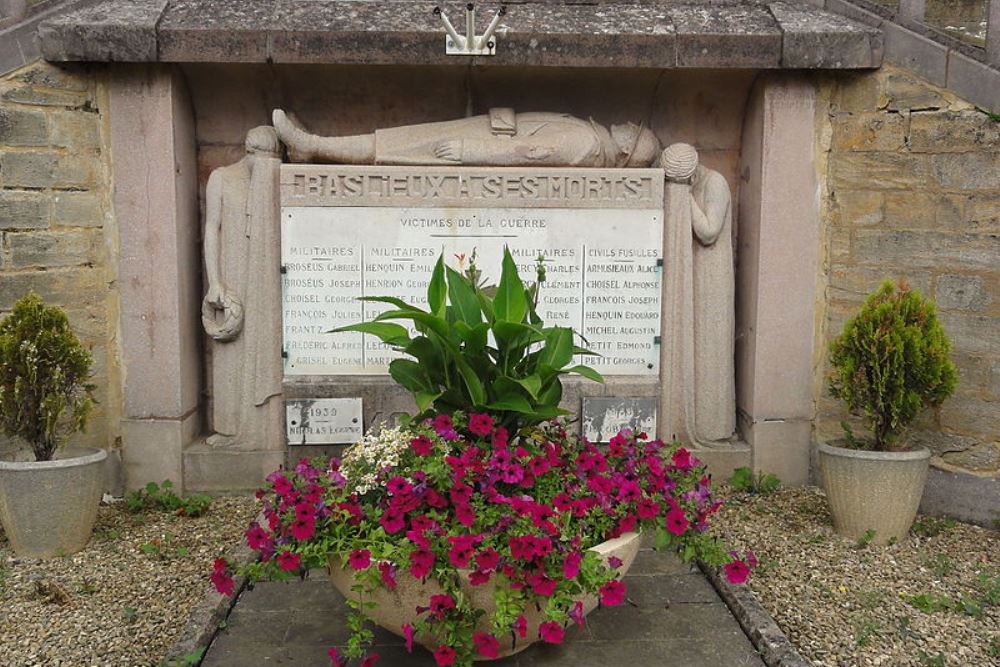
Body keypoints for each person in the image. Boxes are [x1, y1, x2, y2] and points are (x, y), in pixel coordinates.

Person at [201, 126, 284, 450]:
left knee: (264, 343)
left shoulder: (272, 176)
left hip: (265, 272)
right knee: (231, 352)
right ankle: (230, 427)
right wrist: (214, 281)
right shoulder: (221, 177)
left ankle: (261, 425)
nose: (263, 165)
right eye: (259, 159)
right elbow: (212, 228)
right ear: (248, 152)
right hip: (232, 270)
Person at [272, 107, 661, 168]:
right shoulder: (591, 136)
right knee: (396, 140)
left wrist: (469, 151)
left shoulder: (588, 144)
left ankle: (314, 146)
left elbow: (527, 152)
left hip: (480, 142)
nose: (630, 122)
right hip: (487, 131)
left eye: (636, 129)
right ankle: (314, 144)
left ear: (626, 147)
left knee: (395, 145)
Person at [661, 143, 736, 443]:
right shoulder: (685, 181)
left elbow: (708, 232)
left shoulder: (715, 182)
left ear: (692, 175)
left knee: (710, 350)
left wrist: (682, 196)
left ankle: (712, 425)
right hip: (687, 270)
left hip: (710, 276)